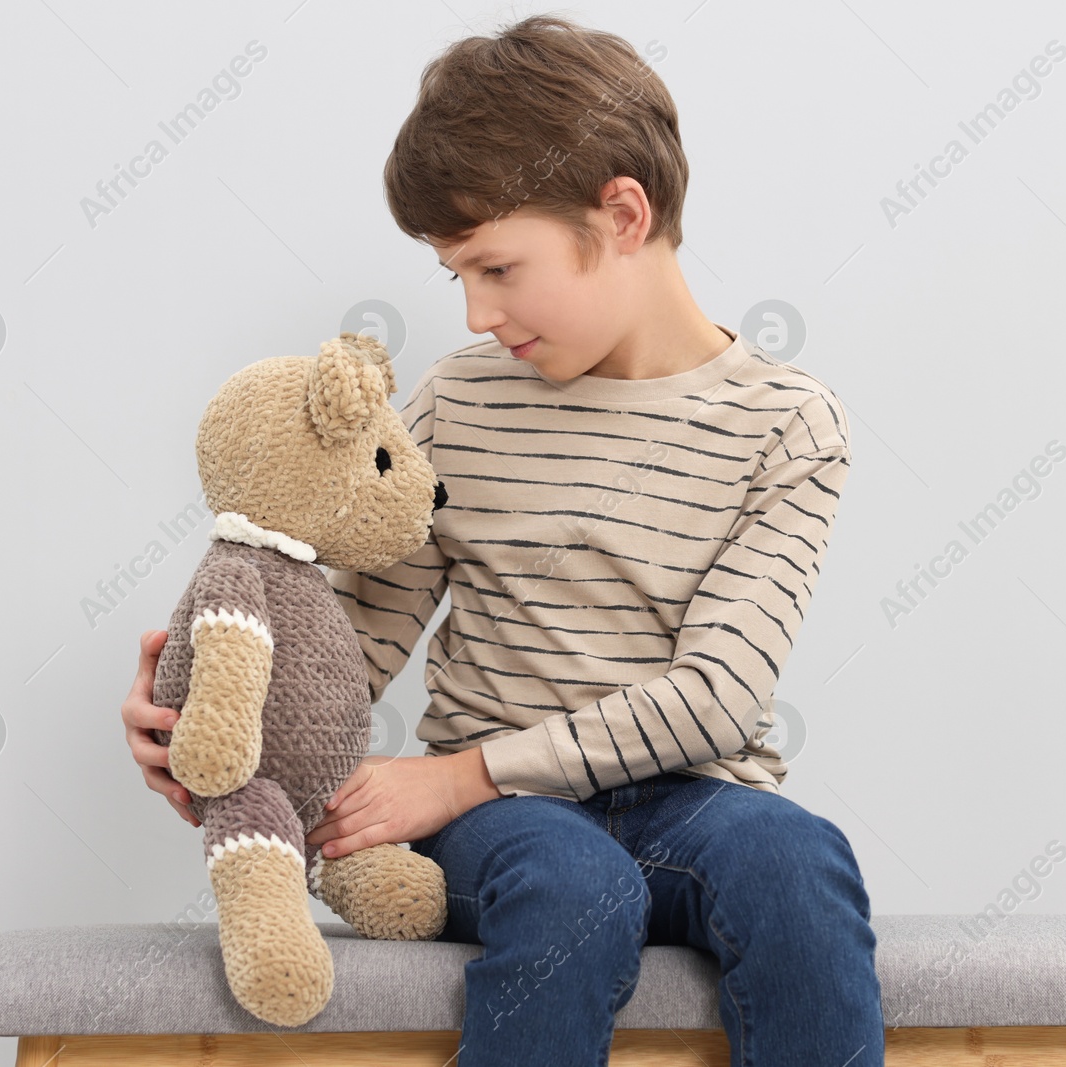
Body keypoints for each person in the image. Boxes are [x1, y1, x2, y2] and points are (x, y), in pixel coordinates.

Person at [122, 14, 882, 1066]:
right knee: (574, 885)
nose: (477, 313)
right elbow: (353, 639)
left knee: (798, 864)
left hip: (693, 800)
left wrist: (461, 774)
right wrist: (216, 709)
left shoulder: (787, 423)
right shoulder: (461, 406)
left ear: (620, 213)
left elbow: (718, 693)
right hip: (508, 830)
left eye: (497, 267)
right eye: (455, 278)